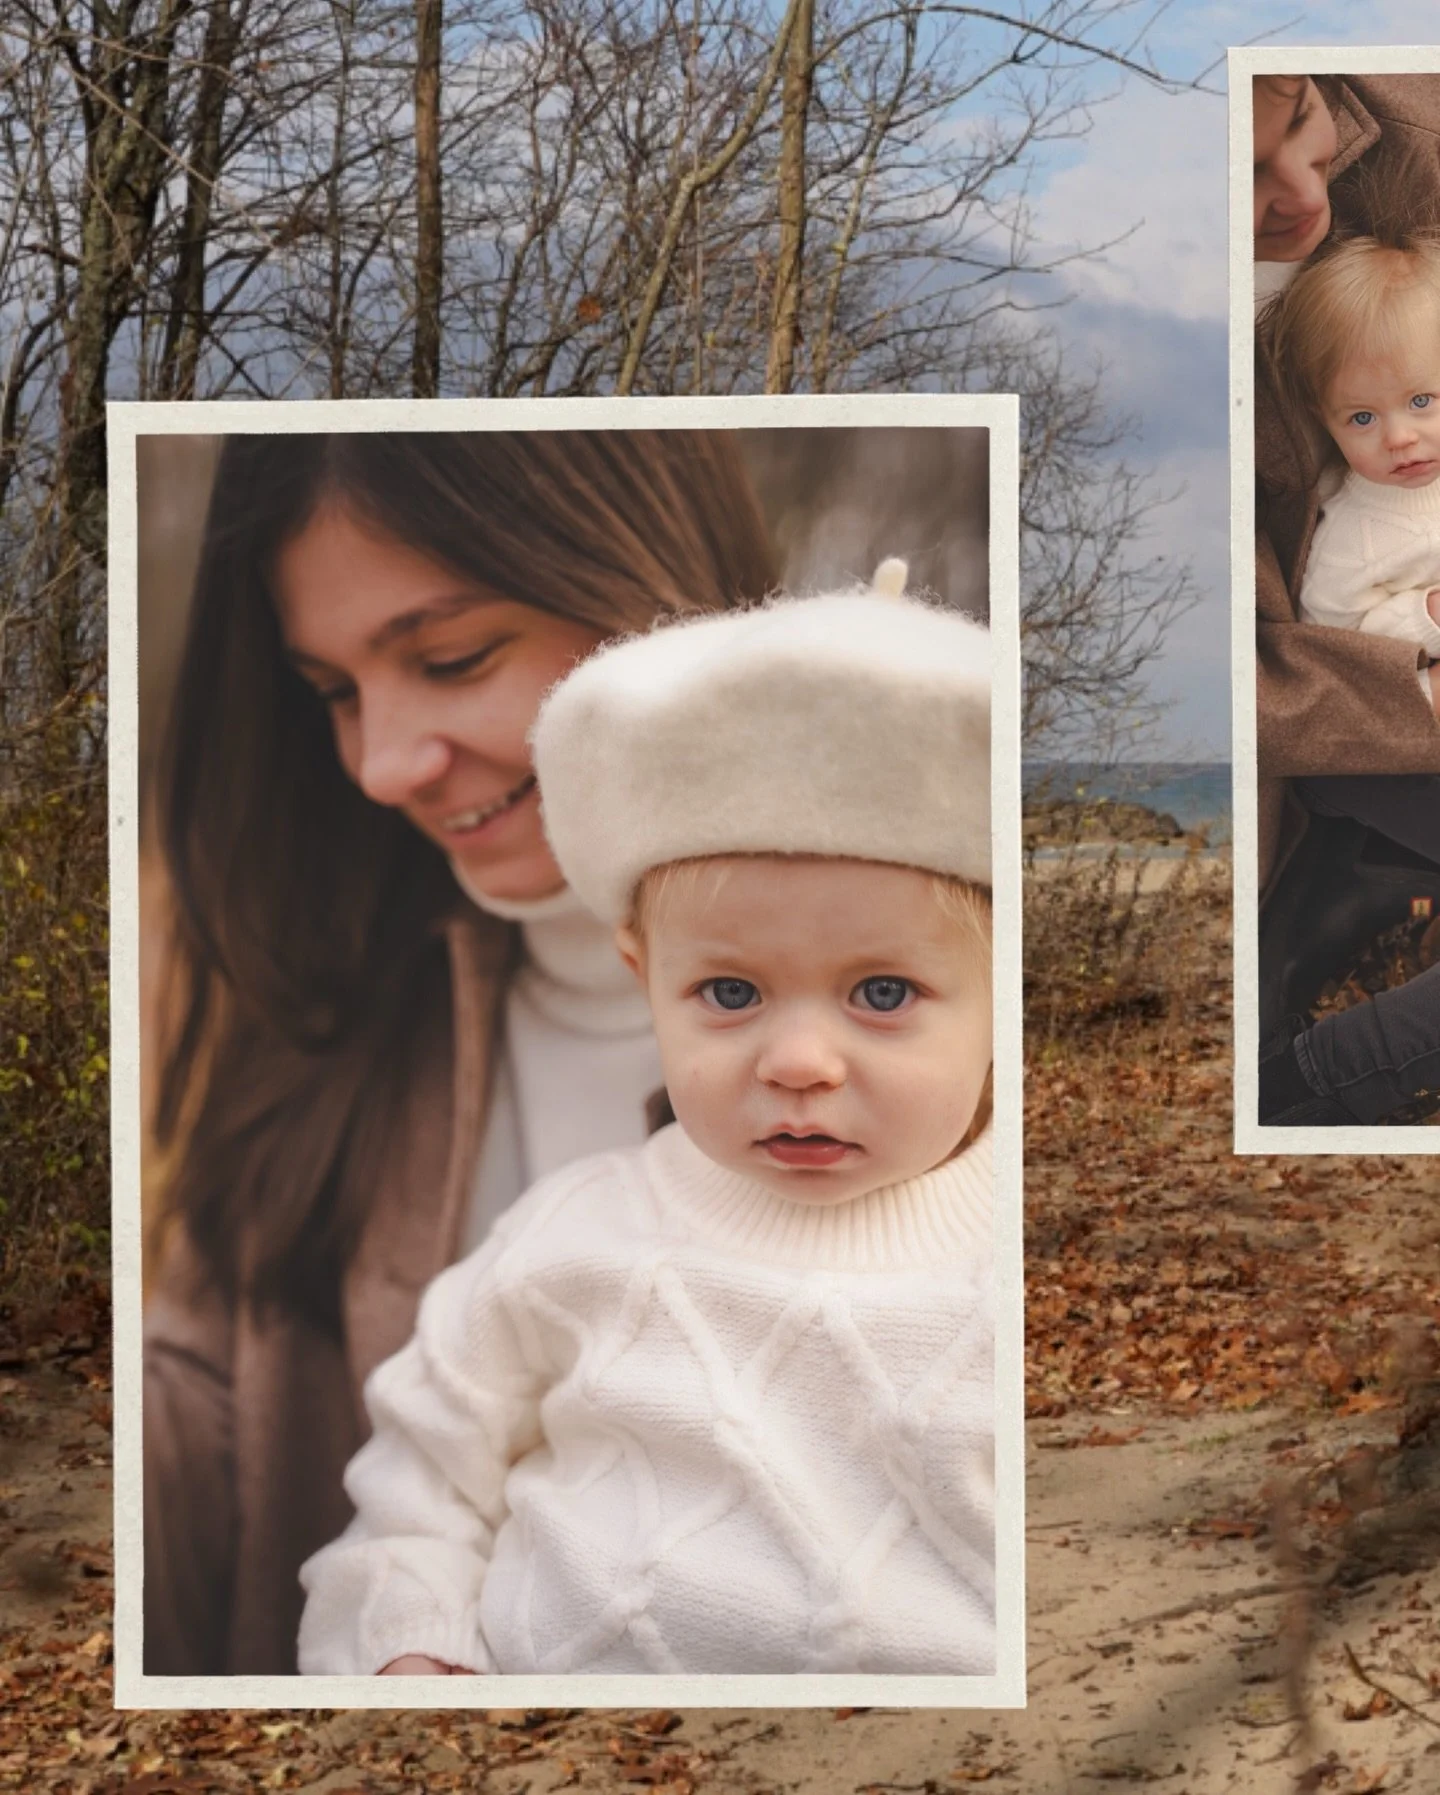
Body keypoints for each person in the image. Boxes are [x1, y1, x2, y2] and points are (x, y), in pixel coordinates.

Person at [143, 431, 778, 1674]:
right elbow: (172, 1437)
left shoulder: (957, 1039)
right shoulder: (314, 1048)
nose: (384, 765)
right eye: (332, 690)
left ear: (659, 583)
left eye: (451, 656)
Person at [295, 566, 997, 1677]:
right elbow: (414, 1497)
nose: (801, 1062)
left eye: (881, 993)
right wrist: (408, 1649)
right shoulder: (572, 1233)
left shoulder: (1014, 1259)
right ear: (644, 974)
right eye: (728, 993)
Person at [1251, 75, 1440, 1125]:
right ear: (1327, 419)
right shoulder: (1354, 518)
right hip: (1380, 737)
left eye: (1422, 404)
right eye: (1365, 418)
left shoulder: (1407, 128)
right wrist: (1422, 635)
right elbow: (1331, 626)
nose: (1400, 437)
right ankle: (1312, 1080)